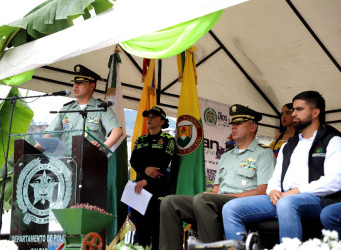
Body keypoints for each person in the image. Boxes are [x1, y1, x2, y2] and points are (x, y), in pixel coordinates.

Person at [222, 91, 341, 242]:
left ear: (315, 112)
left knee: (286, 203)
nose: (294, 114)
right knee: (231, 208)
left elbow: (335, 180)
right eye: (293, 110)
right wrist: (272, 191)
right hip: (282, 197)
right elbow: (275, 178)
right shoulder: (288, 145)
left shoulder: (332, 140)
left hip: (317, 199)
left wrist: (296, 191)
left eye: (299, 109)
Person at [159, 104, 275, 250]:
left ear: (253, 127)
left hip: (243, 203)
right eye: (232, 124)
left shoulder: (263, 154)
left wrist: (217, 196)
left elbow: (263, 191)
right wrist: (210, 194)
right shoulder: (226, 156)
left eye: (238, 124)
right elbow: (216, 190)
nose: (233, 127)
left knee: (203, 200)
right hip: (215, 202)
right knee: (169, 202)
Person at [35, 64, 123, 151]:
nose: (75, 86)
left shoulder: (101, 108)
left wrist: (103, 148)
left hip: (92, 160)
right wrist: (38, 146)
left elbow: (117, 131)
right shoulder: (66, 109)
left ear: (92, 86)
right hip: (67, 161)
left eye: (80, 83)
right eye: (74, 83)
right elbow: (52, 133)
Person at [129, 106, 176, 250]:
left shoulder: (168, 139)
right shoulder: (141, 139)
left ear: (162, 121)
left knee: (157, 231)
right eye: (147, 116)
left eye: (153, 116)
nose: (149, 119)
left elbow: (163, 163)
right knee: (140, 231)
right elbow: (133, 161)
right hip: (139, 190)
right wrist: (145, 169)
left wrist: (147, 180)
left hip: (159, 190)